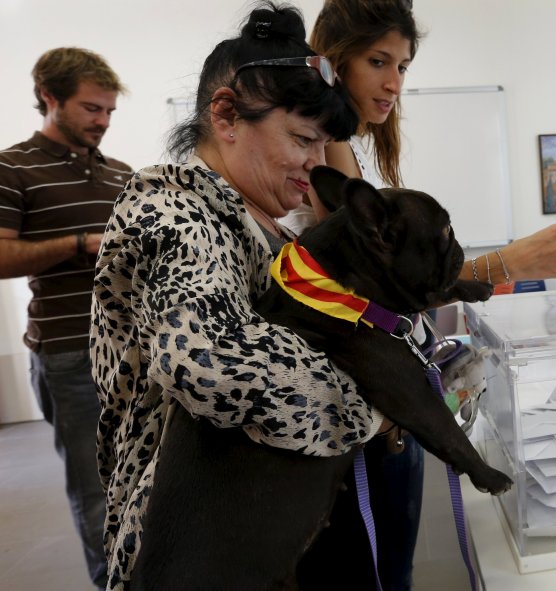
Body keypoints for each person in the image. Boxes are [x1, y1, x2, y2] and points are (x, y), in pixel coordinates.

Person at [283, 2, 556, 589]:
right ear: (331, 62)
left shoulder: (345, 148)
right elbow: (382, 297)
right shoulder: (327, 154)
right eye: (378, 61)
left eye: (402, 65)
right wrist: (507, 262)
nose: (394, 83)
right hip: (356, 422)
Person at [89, 4, 392, 589]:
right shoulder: (172, 212)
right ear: (226, 114)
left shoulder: (262, 225)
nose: (313, 162)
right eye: (303, 139)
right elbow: (211, 363)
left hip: (252, 528)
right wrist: (371, 412)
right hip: (191, 545)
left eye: (322, 143)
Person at [0, 47, 130, 589]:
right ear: (49, 99)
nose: (101, 121)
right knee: (98, 494)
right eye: (90, 109)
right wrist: (79, 243)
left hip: (134, 352)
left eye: (108, 112)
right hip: (71, 354)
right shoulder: (11, 168)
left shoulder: (121, 174)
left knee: (143, 482)